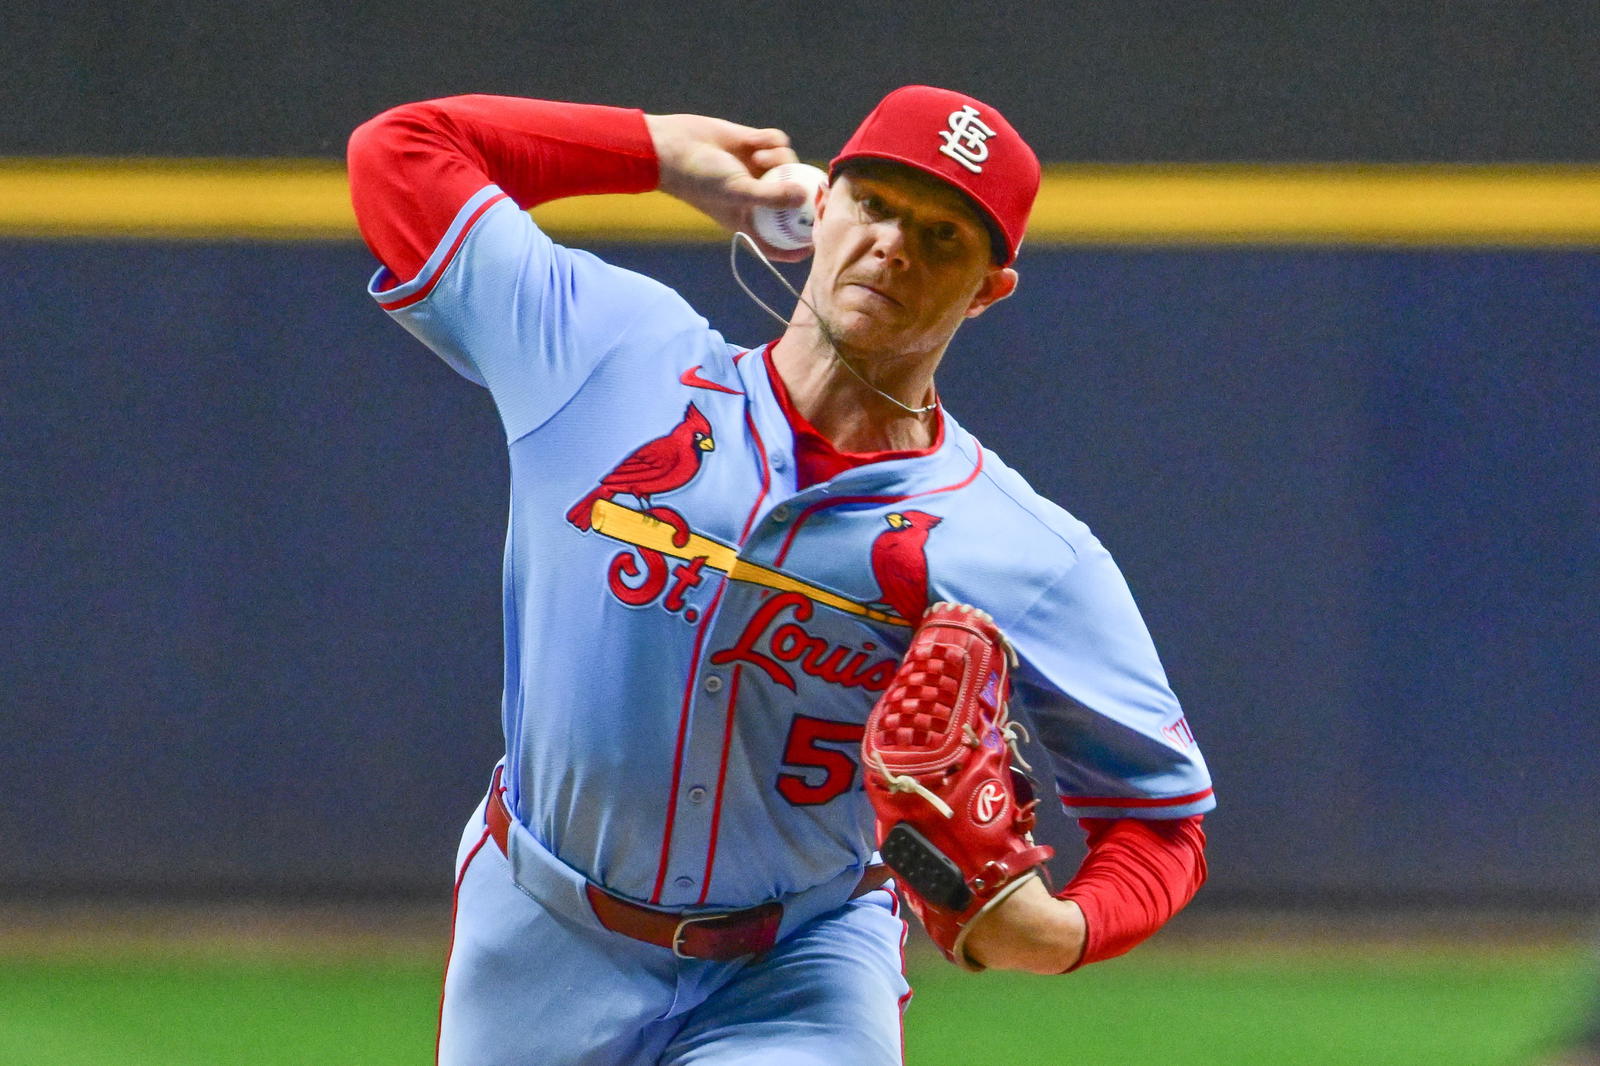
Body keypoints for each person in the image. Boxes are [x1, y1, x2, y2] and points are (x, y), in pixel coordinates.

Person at [348, 84, 1215, 1065]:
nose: (894, 243)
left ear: (987, 289)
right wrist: (656, 149)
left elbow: (1158, 820)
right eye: (876, 204)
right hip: (538, 928)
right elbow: (403, 151)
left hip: (799, 961)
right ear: (821, 206)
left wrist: (1062, 931)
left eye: (941, 236)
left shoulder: (1022, 551)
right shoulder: (606, 357)